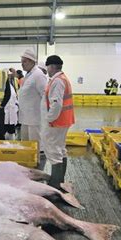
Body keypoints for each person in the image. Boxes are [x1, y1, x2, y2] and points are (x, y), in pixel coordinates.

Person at [42, 55, 75, 189]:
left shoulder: (57, 81)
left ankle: (55, 184)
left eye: (47, 67)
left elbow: (56, 104)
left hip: (57, 121)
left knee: (53, 151)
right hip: (64, 120)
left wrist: (49, 119)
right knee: (61, 149)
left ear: (52, 66)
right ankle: (60, 180)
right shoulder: (63, 78)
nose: (47, 70)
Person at [18, 49, 47, 149]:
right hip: (25, 117)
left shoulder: (38, 75)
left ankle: (36, 162)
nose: (22, 64)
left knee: (35, 146)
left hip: (35, 118)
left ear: (32, 61)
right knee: (25, 146)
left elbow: (45, 95)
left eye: (24, 62)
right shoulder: (29, 74)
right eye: (22, 62)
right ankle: (27, 163)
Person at [4, 68, 19, 140]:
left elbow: (15, 98)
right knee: (3, 131)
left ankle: (11, 146)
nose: (9, 77)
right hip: (4, 113)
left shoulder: (11, 85)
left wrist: (17, 106)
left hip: (12, 112)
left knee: (11, 130)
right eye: (7, 75)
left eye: (9, 75)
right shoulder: (1, 86)